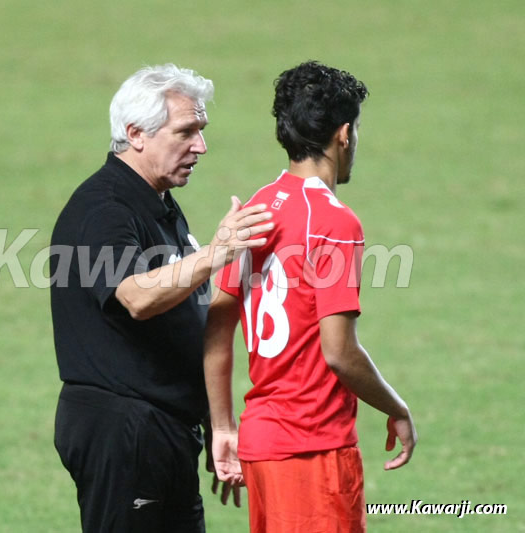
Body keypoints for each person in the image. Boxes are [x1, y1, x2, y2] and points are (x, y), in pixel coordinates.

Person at [50, 64, 274, 532]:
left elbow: (182, 320)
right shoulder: (104, 208)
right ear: (136, 134)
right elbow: (136, 296)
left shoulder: (157, 204)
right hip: (124, 428)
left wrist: (215, 422)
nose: (201, 146)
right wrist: (216, 253)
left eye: (201, 130)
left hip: (162, 428)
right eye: (186, 131)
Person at [204, 61, 418, 532]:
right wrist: (396, 408)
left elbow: (218, 324)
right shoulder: (335, 222)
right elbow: (339, 352)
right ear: (344, 134)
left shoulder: (256, 208)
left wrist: (222, 426)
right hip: (312, 449)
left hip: (261, 445)